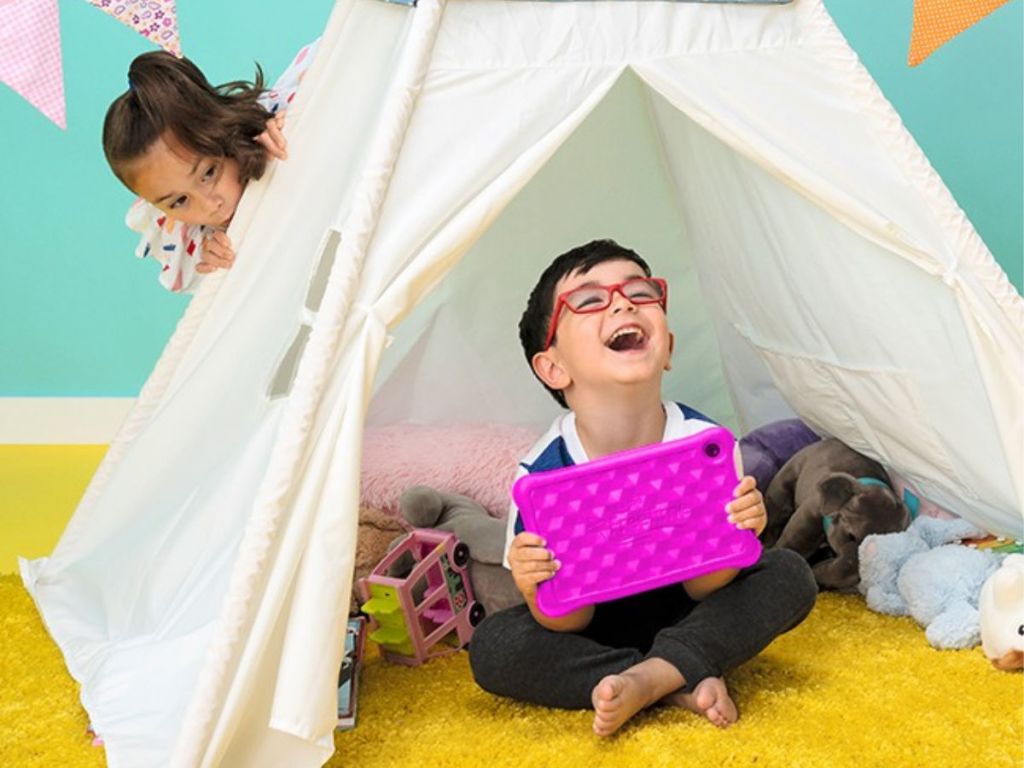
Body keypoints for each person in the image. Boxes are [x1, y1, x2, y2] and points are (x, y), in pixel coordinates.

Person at [468, 239, 817, 737]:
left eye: (641, 292)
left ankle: (654, 675)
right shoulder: (540, 476)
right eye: (590, 300)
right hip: (597, 628)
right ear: (553, 367)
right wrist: (536, 586)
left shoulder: (704, 444)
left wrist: (734, 538)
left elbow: (703, 586)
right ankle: (670, 677)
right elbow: (568, 620)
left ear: (668, 348)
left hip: (692, 607)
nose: (623, 303)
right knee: (494, 646)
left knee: (787, 574)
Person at [102, 41, 317, 293]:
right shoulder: (199, 242)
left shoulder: (275, 125)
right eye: (179, 201)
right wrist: (213, 258)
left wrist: (293, 126)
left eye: (209, 173)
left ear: (223, 134)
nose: (210, 205)